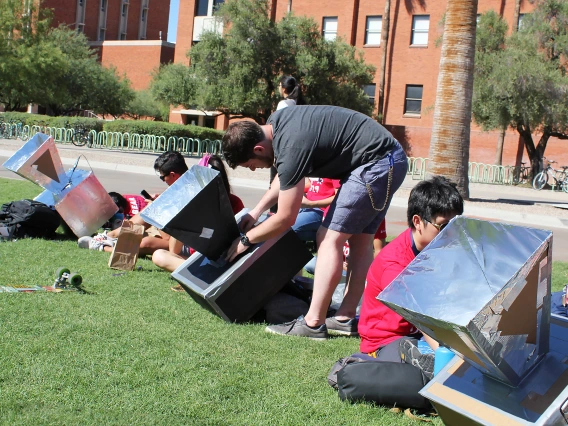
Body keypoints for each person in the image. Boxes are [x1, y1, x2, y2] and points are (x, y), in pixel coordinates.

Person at [222, 105, 408, 339]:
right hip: (389, 160)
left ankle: (313, 323)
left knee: (328, 237)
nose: (253, 169)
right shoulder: (277, 125)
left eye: (251, 165)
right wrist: (257, 210)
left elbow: (286, 218)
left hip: (375, 164)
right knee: (361, 241)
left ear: (258, 148)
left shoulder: (291, 144)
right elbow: (287, 174)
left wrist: (246, 240)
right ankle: (345, 317)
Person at [358, 176, 464, 361]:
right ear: (417, 221)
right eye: (444, 226)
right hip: (387, 342)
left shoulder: (436, 248)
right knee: (440, 367)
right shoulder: (394, 264)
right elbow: (422, 319)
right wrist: (449, 356)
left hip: (419, 335)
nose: (452, 233)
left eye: (456, 224)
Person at [78, 151, 188, 255]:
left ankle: (104, 247)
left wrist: (158, 209)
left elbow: (172, 236)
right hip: (174, 233)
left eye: (162, 177)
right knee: (150, 208)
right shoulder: (184, 185)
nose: (163, 180)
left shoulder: (189, 192)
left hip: (183, 241)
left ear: (173, 175)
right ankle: (110, 236)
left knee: (145, 242)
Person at [152, 154, 244, 274]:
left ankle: (201, 274)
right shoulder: (190, 201)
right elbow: (174, 250)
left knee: (158, 254)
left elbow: (174, 251)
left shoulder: (233, 203)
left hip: (221, 259)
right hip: (199, 258)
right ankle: (203, 274)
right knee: (159, 255)